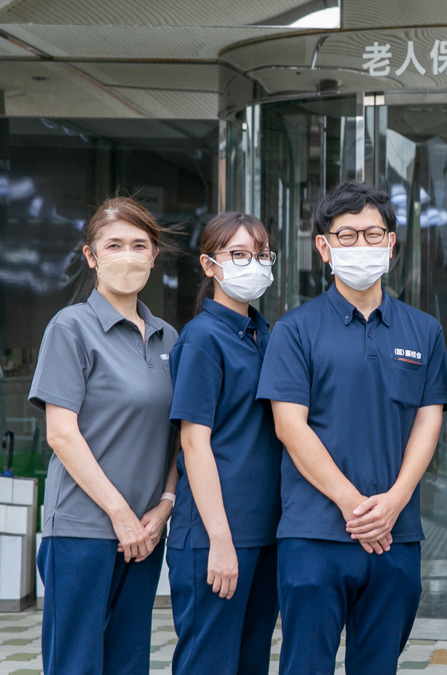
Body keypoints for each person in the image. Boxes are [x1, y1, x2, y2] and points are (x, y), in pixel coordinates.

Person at [257, 180, 447, 674]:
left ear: (391, 242)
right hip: (315, 534)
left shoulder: (423, 330)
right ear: (323, 247)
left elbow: (428, 421)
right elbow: (290, 427)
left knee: (379, 665)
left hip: (397, 536)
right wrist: (354, 505)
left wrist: (393, 504)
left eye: (373, 233)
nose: (361, 245)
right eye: (346, 236)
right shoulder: (294, 329)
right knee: (306, 664)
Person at [29, 197, 179, 674]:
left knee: (129, 662)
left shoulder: (169, 338)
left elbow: (179, 434)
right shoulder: (71, 328)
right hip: (82, 531)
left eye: (139, 244)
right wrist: (121, 516)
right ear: (91, 256)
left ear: (154, 256)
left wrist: (164, 506)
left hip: (145, 532)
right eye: (114, 244)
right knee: (76, 664)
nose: (129, 255)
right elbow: (62, 435)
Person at [167, 212, 281, 674]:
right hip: (216, 535)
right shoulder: (202, 339)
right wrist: (220, 540)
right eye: (238, 255)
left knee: (250, 662)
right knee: (209, 663)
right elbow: (194, 444)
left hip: (264, 532)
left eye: (261, 255)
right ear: (210, 265)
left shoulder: (264, 334)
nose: (252, 265)